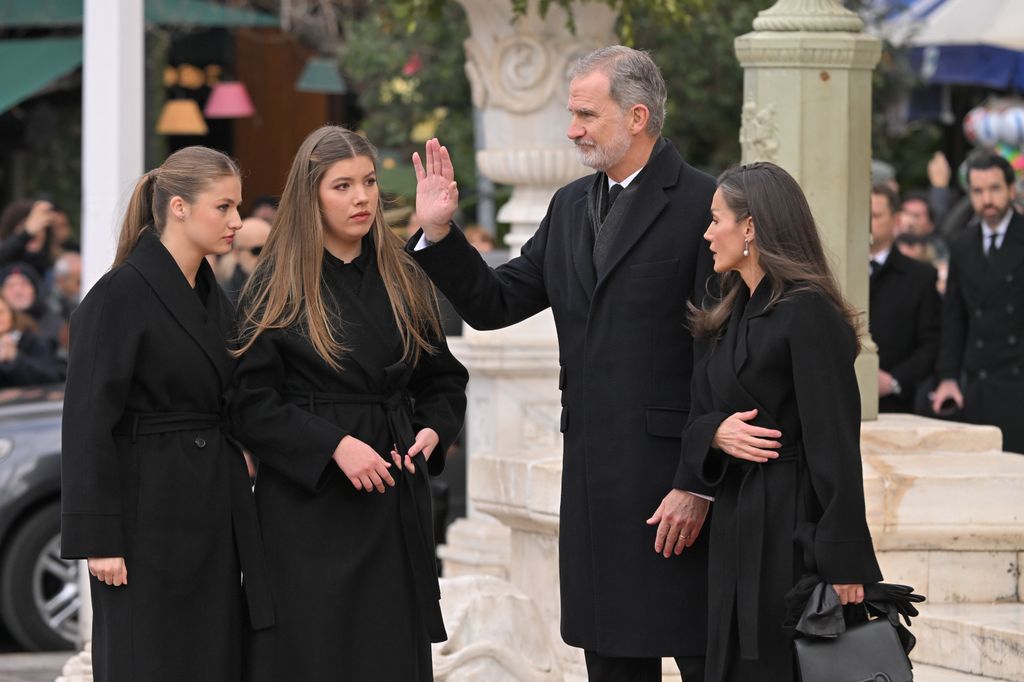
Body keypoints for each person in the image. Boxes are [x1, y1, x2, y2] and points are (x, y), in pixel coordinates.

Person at [410, 45, 715, 681]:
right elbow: (496, 302)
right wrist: (441, 235)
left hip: (673, 486)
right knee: (608, 657)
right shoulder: (570, 206)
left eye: (585, 113)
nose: (572, 129)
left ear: (636, 116)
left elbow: (722, 358)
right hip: (593, 480)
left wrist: (697, 481)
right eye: (570, 113)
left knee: (704, 657)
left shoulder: (703, 206)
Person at [230, 125, 467, 681]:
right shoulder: (276, 284)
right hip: (308, 510)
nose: (361, 198)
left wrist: (432, 430)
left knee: (387, 656)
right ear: (310, 195)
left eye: (367, 182)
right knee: (314, 655)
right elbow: (248, 403)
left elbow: (443, 379)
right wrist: (333, 446)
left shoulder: (404, 274)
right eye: (341, 186)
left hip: (392, 497)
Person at [59, 146, 273, 682]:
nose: (237, 222)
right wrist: (99, 538)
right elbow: (87, 420)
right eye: (223, 207)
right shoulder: (118, 295)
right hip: (143, 521)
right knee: (148, 659)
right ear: (178, 207)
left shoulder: (214, 297)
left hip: (210, 509)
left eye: (237, 207)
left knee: (211, 658)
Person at [684, 162, 882, 681]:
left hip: (792, 530)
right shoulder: (731, 312)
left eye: (716, 219)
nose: (707, 233)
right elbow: (702, 414)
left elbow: (835, 442)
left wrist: (843, 563)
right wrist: (716, 434)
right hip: (734, 520)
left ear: (750, 226)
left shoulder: (808, 312)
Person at [932, 150, 1024, 453]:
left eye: (995, 188)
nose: (987, 199)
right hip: (978, 384)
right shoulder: (962, 244)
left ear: (1012, 190)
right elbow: (954, 317)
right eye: (978, 191)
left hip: (1016, 380)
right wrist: (947, 377)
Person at [869, 184, 941, 413]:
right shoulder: (835, 271)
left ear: (896, 220)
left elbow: (932, 342)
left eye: (875, 215)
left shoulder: (921, 277)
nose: (867, 222)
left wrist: (894, 381)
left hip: (898, 405)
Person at [0, 293, 60, 386]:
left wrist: (15, 357)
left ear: (11, 313)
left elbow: (50, 376)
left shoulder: (32, 340)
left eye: (1, 312)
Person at [219, 216, 270, 305]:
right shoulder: (222, 297)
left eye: (271, 249)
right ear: (237, 254)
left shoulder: (287, 288)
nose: (266, 257)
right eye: (257, 251)